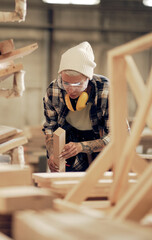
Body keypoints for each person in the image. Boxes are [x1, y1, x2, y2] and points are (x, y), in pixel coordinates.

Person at [43, 41, 110, 172]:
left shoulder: (105, 90)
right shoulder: (54, 89)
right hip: (70, 146)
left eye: (78, 84)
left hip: (102, 149)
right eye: (66, 83)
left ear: (88, 78)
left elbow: (117, 136)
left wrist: (82, 147)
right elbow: (50, 128)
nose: (71, 90)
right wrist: (52, 153)